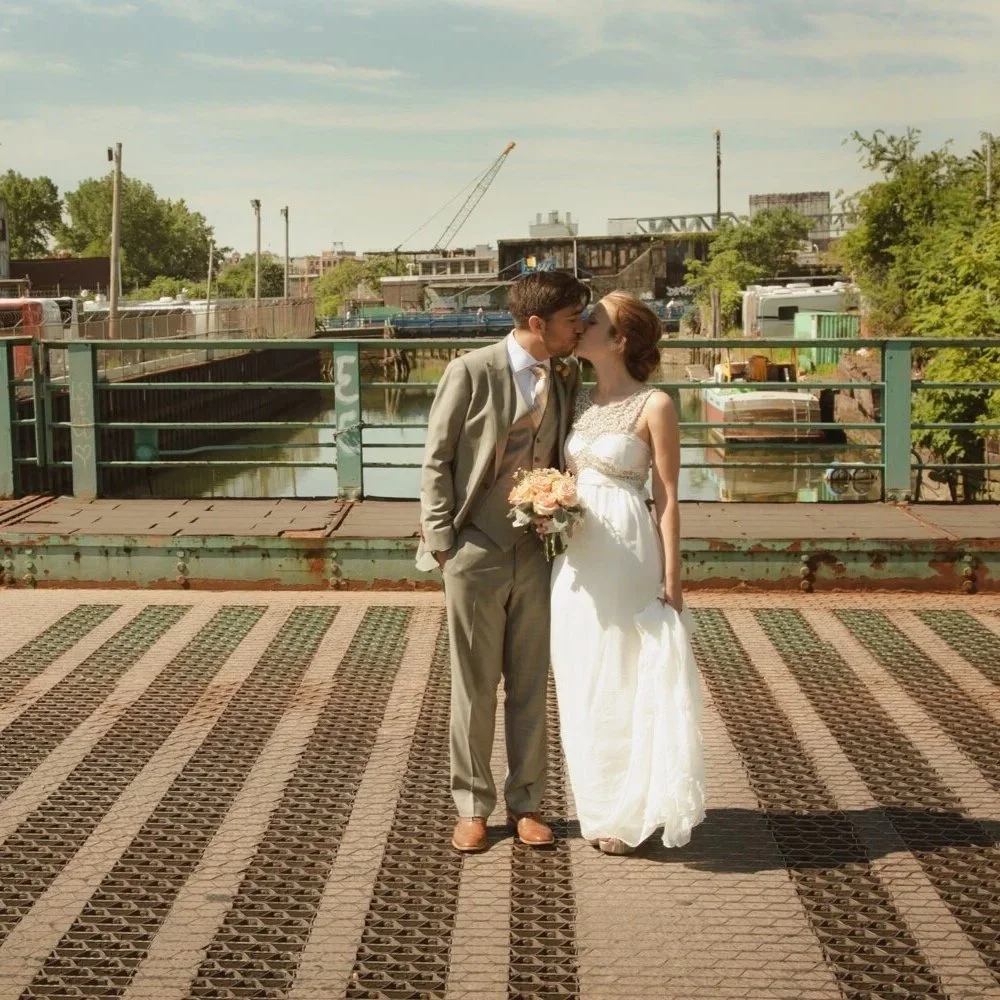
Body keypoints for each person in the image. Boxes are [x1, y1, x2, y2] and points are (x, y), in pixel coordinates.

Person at [417, 271, 589, 853]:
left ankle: (528, 804)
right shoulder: (471, 370)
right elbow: (436, 458)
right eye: (572, 320)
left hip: (539, 550)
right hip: (474, 549)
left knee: (530, 683)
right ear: (538, 323)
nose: (580, 330)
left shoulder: (566, 373)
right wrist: (445, 545)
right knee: (474, 687)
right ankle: (471, 806)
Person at [550, 291, 705, 855]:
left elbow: (666, 495)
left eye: (595, 319)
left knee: (624, 673)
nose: (583, 323)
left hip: (627, 550)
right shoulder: (578, 397)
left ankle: (629, 810)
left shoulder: (655, 405)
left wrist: (673, 576)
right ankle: (596, 804)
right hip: (575, 556)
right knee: (580, 675)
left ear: (619, 340)